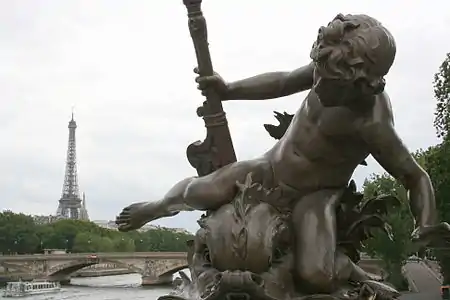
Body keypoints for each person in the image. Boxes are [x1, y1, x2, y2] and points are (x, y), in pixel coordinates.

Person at [116, 13, 449, 292]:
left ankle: (351, 270)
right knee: (200, 191)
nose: (316, 86)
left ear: (363, 84)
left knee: (316, 275)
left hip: (313, 195)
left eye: (327, 85)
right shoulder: (328, 67)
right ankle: (158, 206)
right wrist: (228, 90)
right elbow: (282, 82)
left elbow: (414, 177)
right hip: (269, 168)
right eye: (317, 74)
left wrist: (426, 225)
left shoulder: (372, 122)